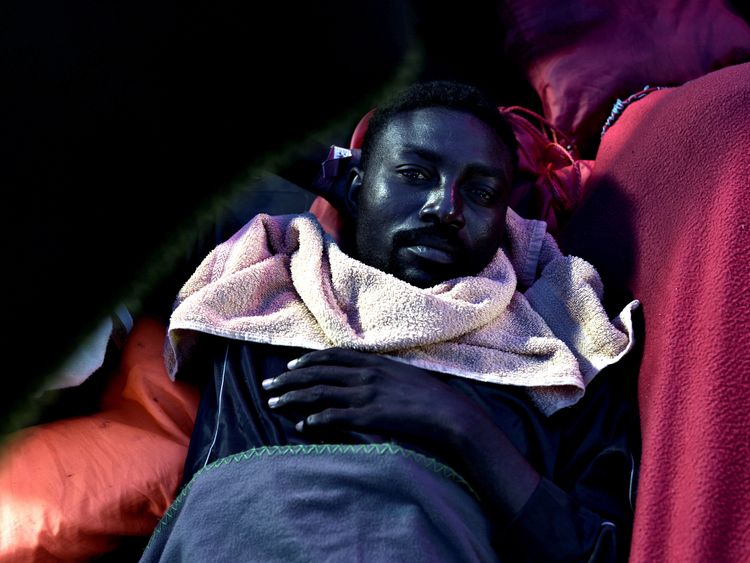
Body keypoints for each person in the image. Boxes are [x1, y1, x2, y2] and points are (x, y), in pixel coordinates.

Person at [141, 81, 641, 562]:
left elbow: (595, 549)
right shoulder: (261, 293)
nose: (445, 208)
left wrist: (459, 424)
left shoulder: (555, 355)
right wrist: (336, 172)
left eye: (482, 193)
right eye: (416, 175)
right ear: (355, 189)